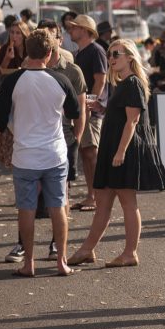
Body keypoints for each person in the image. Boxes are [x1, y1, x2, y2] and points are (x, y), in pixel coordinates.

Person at [66, 39, 165, 269]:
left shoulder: (132, 83)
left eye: (116, 54)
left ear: (130, 57)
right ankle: (86, 249)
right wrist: (102, 109)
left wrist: (121, 151)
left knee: (127, 202)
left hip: (123, 150)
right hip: (112, 148)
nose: (111, 58)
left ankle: (130, 252)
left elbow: (132, 122)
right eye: (110, 54)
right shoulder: (123, 84)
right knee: (103, 201)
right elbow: (124, 117)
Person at [0, 29, 79, 278]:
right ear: (51, 53)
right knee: (58, 207)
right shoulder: (61, 80)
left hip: (25, 154)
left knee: (26, 209)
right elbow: (75, 113)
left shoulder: (13, 81)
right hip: (54, 153)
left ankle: (29, 263)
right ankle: (61, 262)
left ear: (26, 51)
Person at [66, 14, 107, 212]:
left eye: (74, 27)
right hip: (83, 110)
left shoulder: (95, 50)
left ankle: (97, 196)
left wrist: (91, 103)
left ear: (84, 30)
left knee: (90, 153)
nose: (70, 30)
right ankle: (92, 195)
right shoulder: (81, 52)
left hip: (90, 111)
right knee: (86, 153)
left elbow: (100, 79)